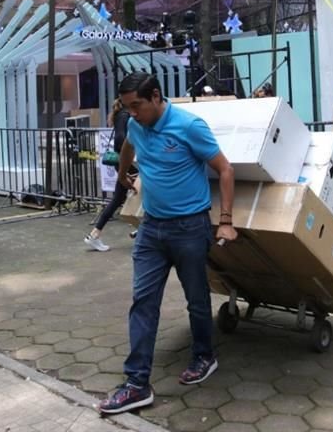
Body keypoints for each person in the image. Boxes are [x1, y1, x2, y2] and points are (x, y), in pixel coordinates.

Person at [97, 72, 237, 415]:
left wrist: (227, 222)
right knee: (143, 302)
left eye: (137, 106)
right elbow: (128, 144)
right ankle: (136, 384)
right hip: (151, 230)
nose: (132, 114)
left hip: (190, 228)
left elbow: (225, 169)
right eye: (127, 108)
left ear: (156, 96)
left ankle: (204, 355)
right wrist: (122, 172)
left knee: (196, 299)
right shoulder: (135, 125)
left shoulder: (189, 126)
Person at [84, 98, 134, 252]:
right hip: (128, 162)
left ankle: (95, 234)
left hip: (124, 162)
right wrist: (130, 150)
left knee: (119, 197)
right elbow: (121, 139)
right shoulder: (125, 115)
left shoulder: (120, 114)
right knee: (143, 193)